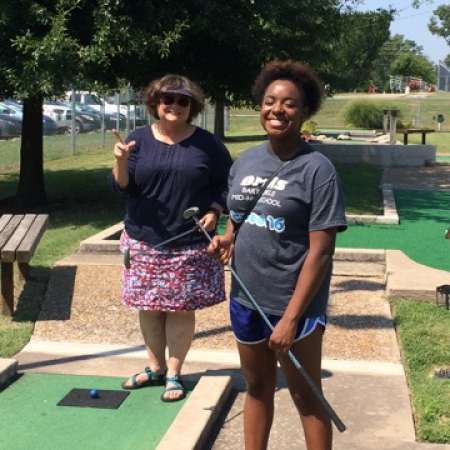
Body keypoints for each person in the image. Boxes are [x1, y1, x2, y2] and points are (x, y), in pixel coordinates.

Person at [208, 60, 347, 450]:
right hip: (245, 298)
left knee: (307, 398)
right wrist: (227, 240)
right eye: (270, 101)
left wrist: (289, 319)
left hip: (293, 306)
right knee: (256, 387)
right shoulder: (247, 161)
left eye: (289, 103)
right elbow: (237, 217)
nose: (277, 110)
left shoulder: (318, 170)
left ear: (304, 113)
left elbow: (321, 252)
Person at [112, 74, 232, 402]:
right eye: (168, 99)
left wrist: (216, 208)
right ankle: (155, 367)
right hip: (143, 239)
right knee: (149, 307)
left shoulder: (208, 144)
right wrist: (120, 161)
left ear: (191, 106)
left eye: (183, 101)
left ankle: (175, 373)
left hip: (188, 242)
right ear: (156, 103)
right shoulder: (138, 138)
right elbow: (123, 186)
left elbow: (225, 183)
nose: (175, 106)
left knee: (180, 309)